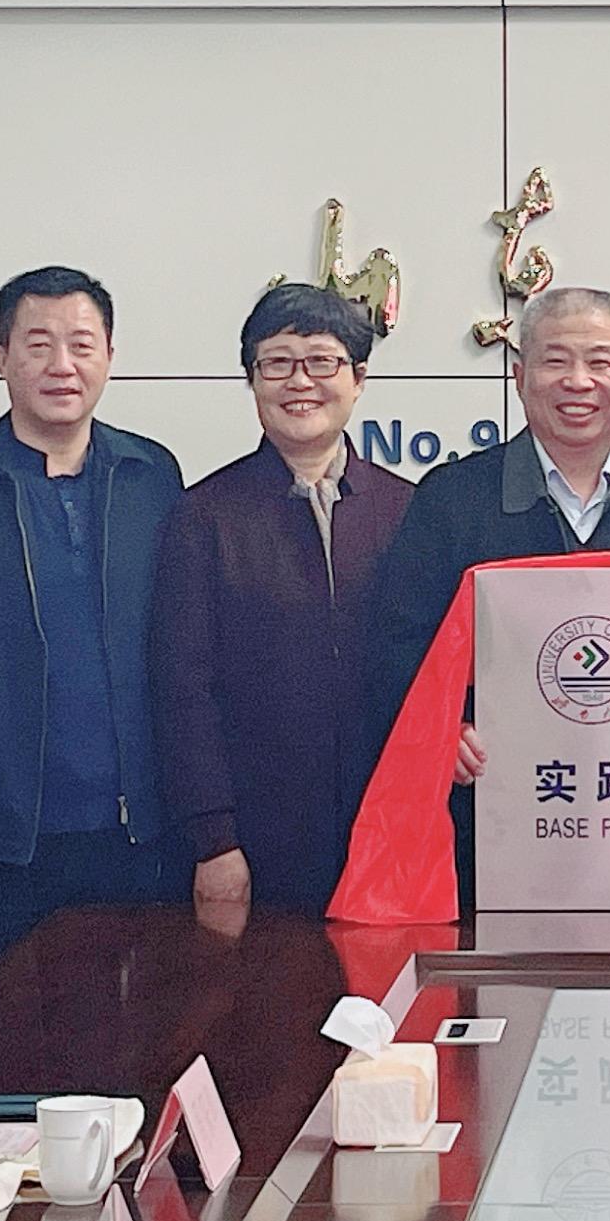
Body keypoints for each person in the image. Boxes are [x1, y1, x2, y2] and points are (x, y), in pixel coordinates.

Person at [0, 266, 185, 985]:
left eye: (82, 344)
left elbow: (185, 656)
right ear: (1, 358)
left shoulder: (151, 477)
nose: (62, 365)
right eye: (38, 344)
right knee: (1, 1043)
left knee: (143, 1039)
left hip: (141, 837)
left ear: (109, 355)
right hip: (0, 846)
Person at [365, 286, 610, 884]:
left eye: (599, 361)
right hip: (489, 824)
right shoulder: (451, 500)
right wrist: (444, 729)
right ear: (519, 378)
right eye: (555, 361)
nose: (578, 381)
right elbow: (398, 643)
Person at [153, 283, 412, 919]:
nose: (301, 381)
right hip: (255, 841)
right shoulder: (204, 515)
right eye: (277, 363)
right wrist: (214, 839)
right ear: (252, 380)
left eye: (322, 361)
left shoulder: (406, 510)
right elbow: (183, 689)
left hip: (387, 832)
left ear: (358, 379)